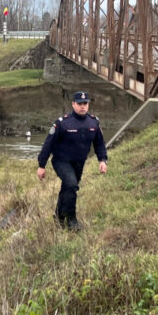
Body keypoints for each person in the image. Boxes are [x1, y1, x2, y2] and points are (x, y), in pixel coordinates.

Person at [37, 91, 108, 230]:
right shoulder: (62, 123)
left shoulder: (93, 122)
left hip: (79, 162)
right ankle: (71, 220)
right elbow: (48, 144)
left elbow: (99, 143)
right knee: (71, 185)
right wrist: (41, 165)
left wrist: (102, 160)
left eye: (85, 103)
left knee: (68, 188)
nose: (83, 106)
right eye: (80, 104)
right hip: (61, 160)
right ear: (73, 104)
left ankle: (58, 217)